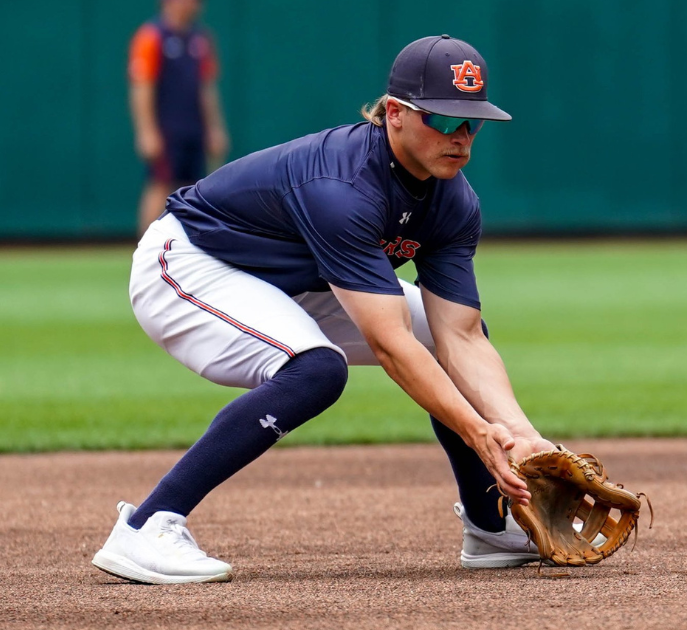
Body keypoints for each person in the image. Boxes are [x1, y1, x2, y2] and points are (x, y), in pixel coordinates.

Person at [92, 35, 557, 584]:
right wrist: (480, 432)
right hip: (191, 263)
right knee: (315, 369)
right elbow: (389, 344)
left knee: (435, 334)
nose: (460, 138)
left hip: (290, 283)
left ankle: (487, 528)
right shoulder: (344, 186)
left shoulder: (453, 201)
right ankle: (146, 527)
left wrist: (522, 435)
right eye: (444, 119)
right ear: (395, 115)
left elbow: (462, 337)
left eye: (472, 123)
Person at [128, 0, 229, 236]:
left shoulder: (200, 39)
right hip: (166, 130)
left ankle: (184, 251)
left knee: (192, 190)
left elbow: (206, 88)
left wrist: (214, 128)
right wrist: (146, 131)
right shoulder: (151, 37)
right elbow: (142, 87)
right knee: (160, 186)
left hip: (193, 129)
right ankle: (145, 250)